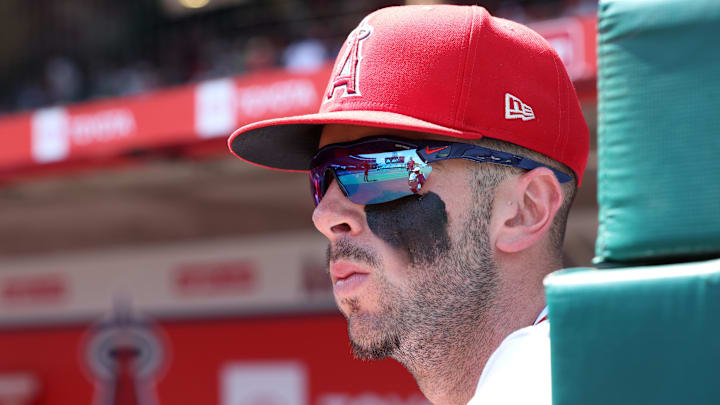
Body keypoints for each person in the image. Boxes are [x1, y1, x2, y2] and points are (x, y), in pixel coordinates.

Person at [228, 5, 589, 405]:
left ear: (525, 210)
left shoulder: (564, 381)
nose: (325, 215)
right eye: (323, 178)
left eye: (379, 170)